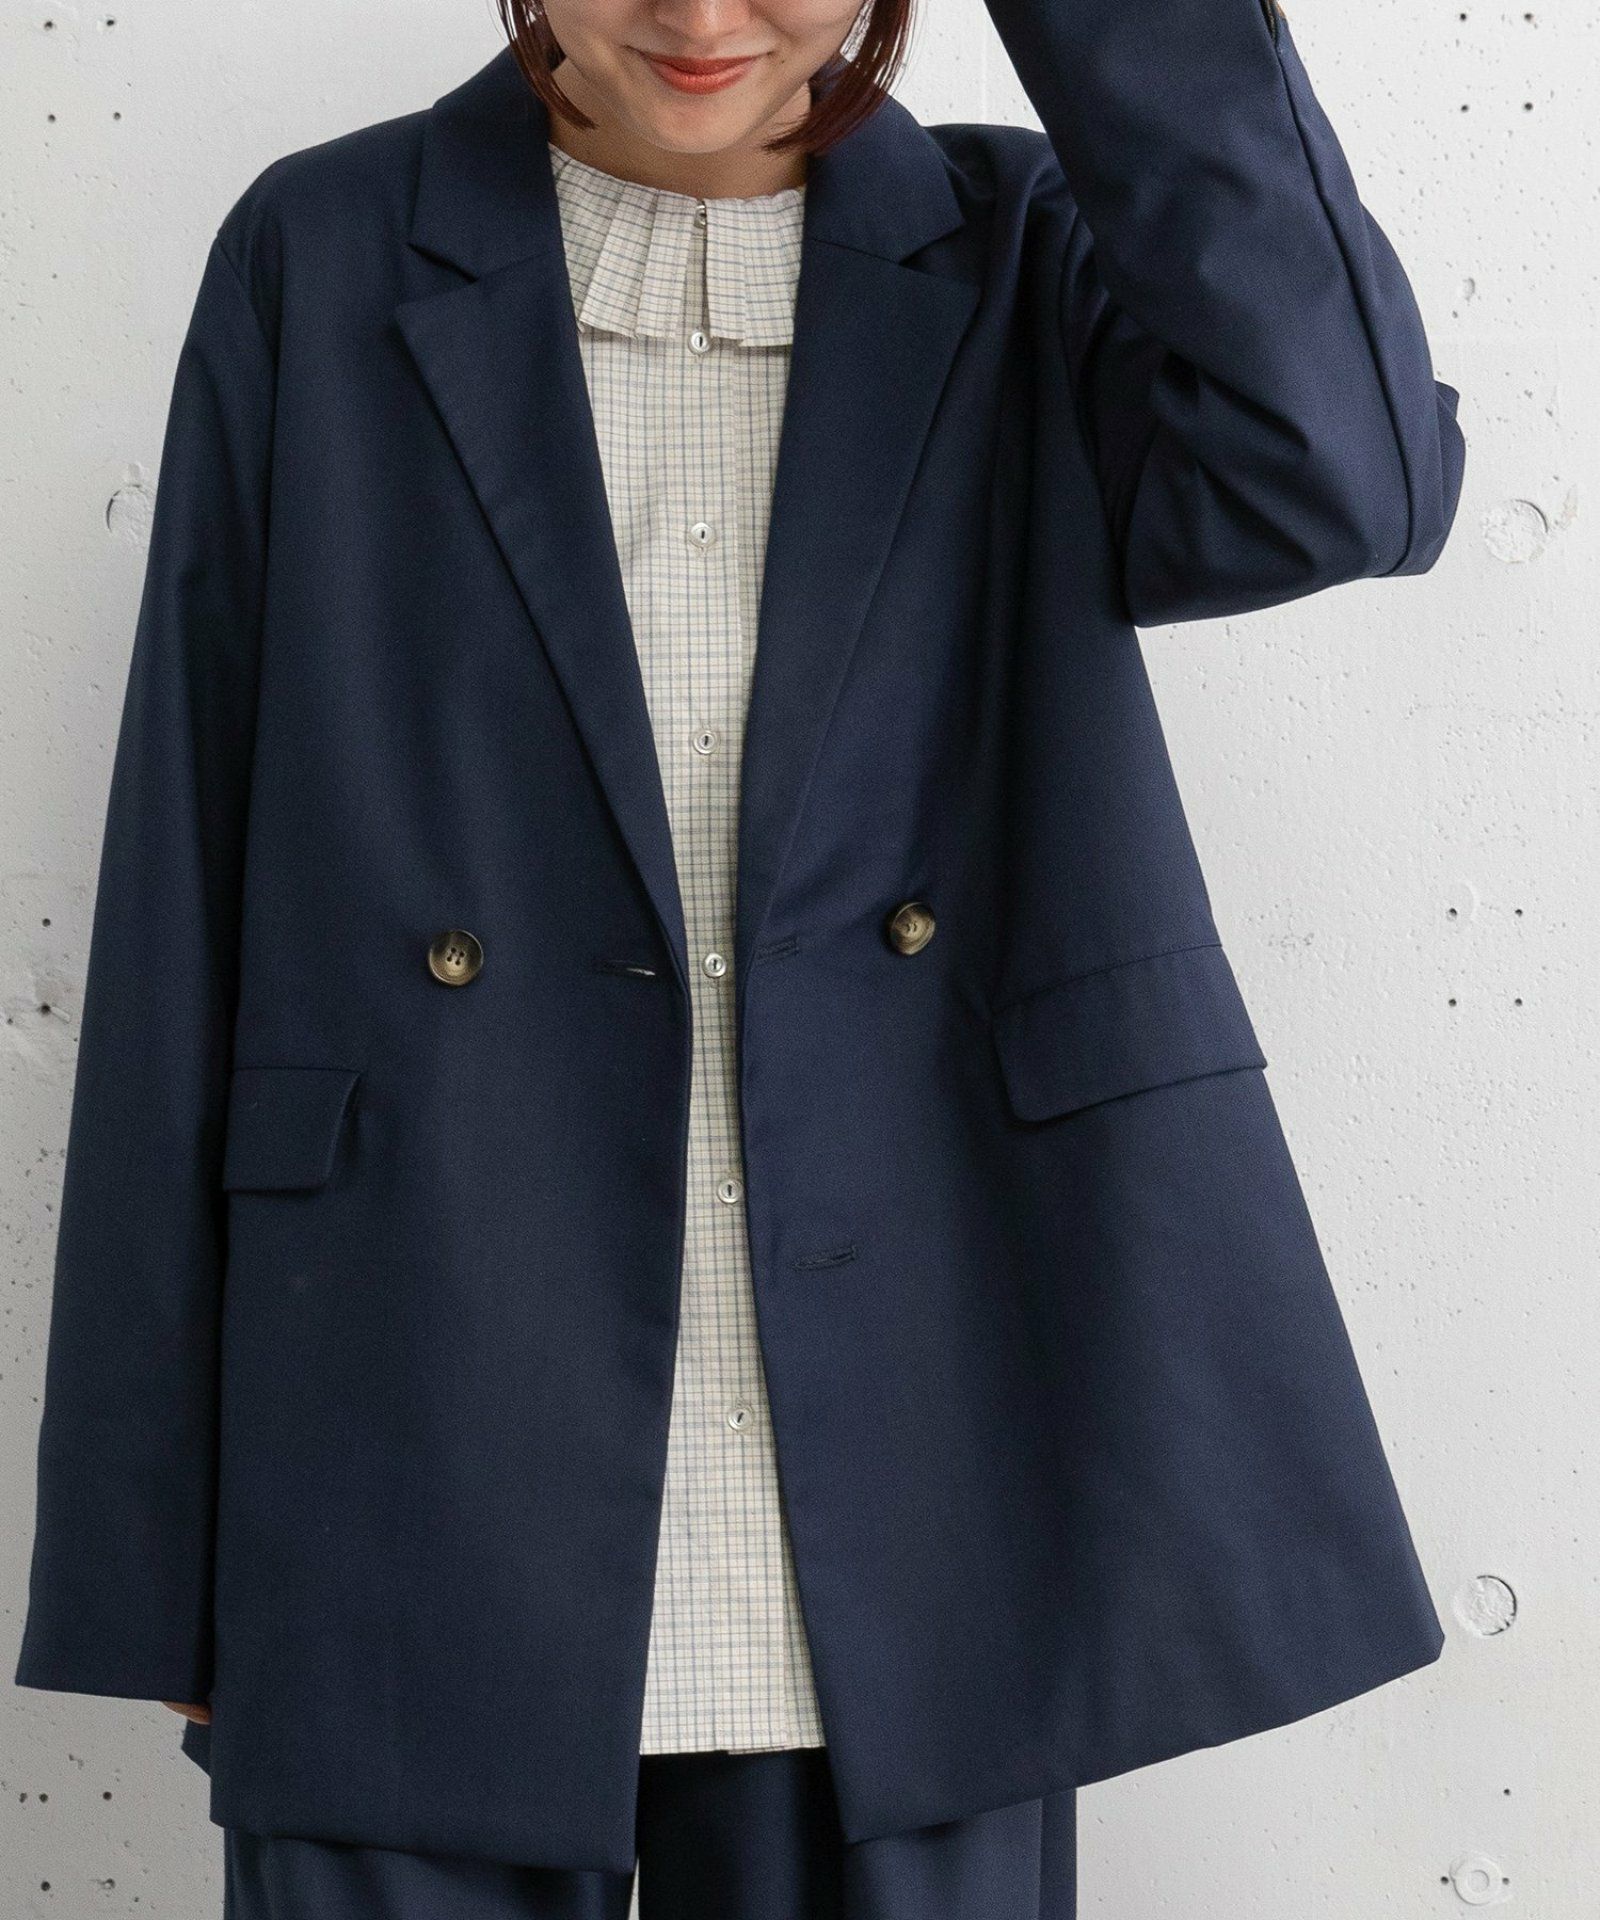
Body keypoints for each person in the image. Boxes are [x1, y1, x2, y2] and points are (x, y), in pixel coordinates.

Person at [13, 0, 1466, 1912]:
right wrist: (156, 1544)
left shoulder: (1019, 245)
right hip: (413, 1388)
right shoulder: (328, 246)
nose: (701, 17)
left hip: (921, 1399)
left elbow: (1343, 477)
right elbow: (188, 859)